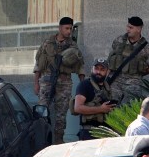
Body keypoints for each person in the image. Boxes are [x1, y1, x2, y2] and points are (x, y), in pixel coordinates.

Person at [34, 16, 85, 144]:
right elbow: (38, 65)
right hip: (47, 80)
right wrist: (36, 83)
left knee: (61, 116)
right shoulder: (48, 43)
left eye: (71, 29)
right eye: (67, 28)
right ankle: (42, 141)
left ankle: (58, 142)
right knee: (42, 112)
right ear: (60, 28)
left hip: (64, 82)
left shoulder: (73, 46)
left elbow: (80, 67)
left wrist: (83, 87)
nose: (69, 31)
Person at [108, 16, 149, 105]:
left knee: (129, 108)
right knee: (111, 107)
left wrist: (137, 73)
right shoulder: (118, 41)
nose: (127, 29)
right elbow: (111, 59)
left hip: (133, 83)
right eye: (127, 26)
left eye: (131, 28)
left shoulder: (147, 48)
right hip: (115, 82)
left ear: (138, 29)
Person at [73, 57, 117, 141]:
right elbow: (77, 108)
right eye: (96, 69)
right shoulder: (85, 85)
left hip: (105, 132)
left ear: (107, 72)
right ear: (91, 69)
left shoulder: (107, 87)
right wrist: (101, 109)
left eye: (102, 69)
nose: (98, 72)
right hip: (89, 132)